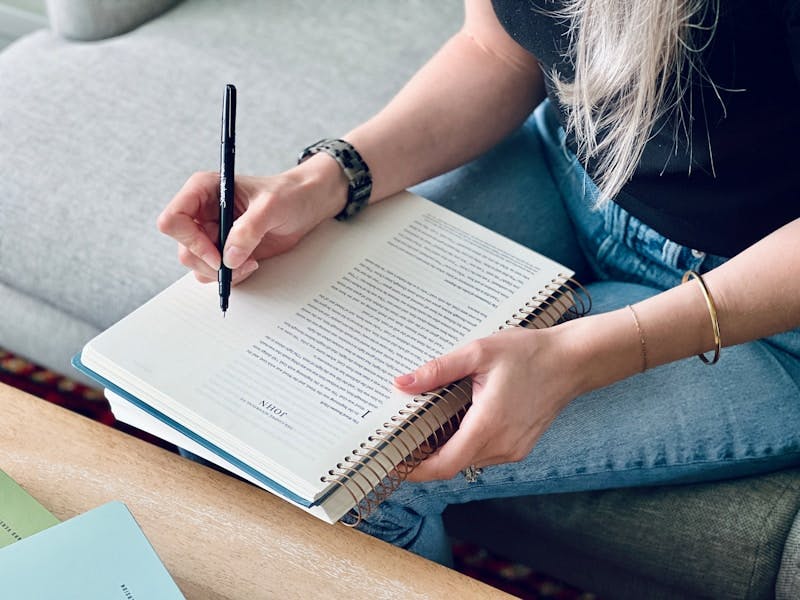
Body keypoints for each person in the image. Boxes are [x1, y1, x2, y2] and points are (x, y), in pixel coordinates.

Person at [158, 0, 800, 565]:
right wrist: (327, 180)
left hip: (769, 313)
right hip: (571, 174)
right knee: (238, 423)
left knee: (352, 480)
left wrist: (584, 359)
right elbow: (497, 45)